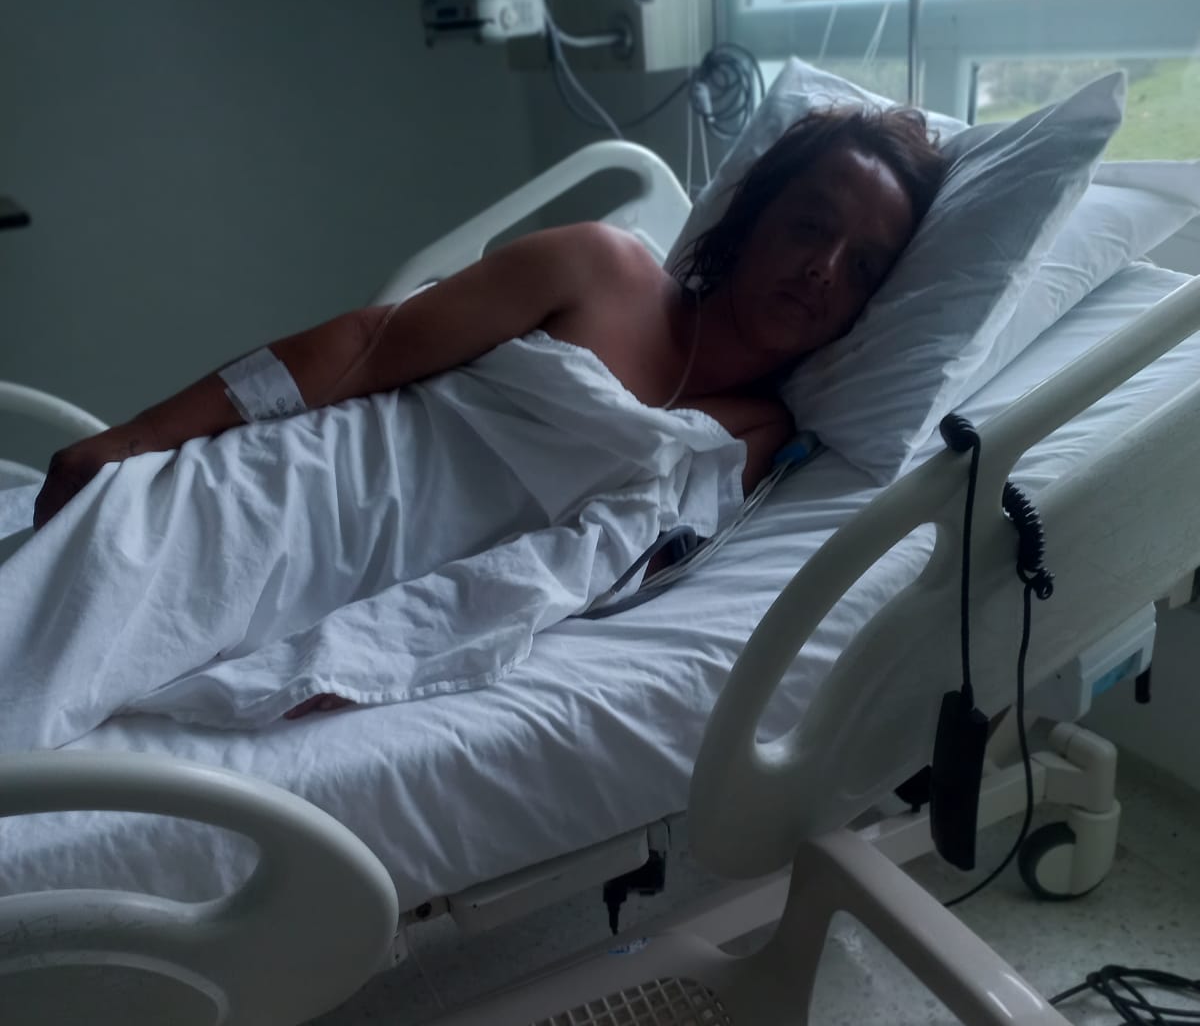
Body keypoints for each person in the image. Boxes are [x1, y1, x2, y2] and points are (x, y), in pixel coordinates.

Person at [21, 105, 946, 728]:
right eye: (811, 225)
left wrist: (374, 658)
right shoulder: (603, 269)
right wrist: (138, 437)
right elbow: (365, 345)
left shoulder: (756, 439)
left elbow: (579, 572)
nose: (824, 268)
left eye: (862, 266)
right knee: (53, 629)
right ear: (754, 217)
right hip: (292, 489)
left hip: (366, 591)